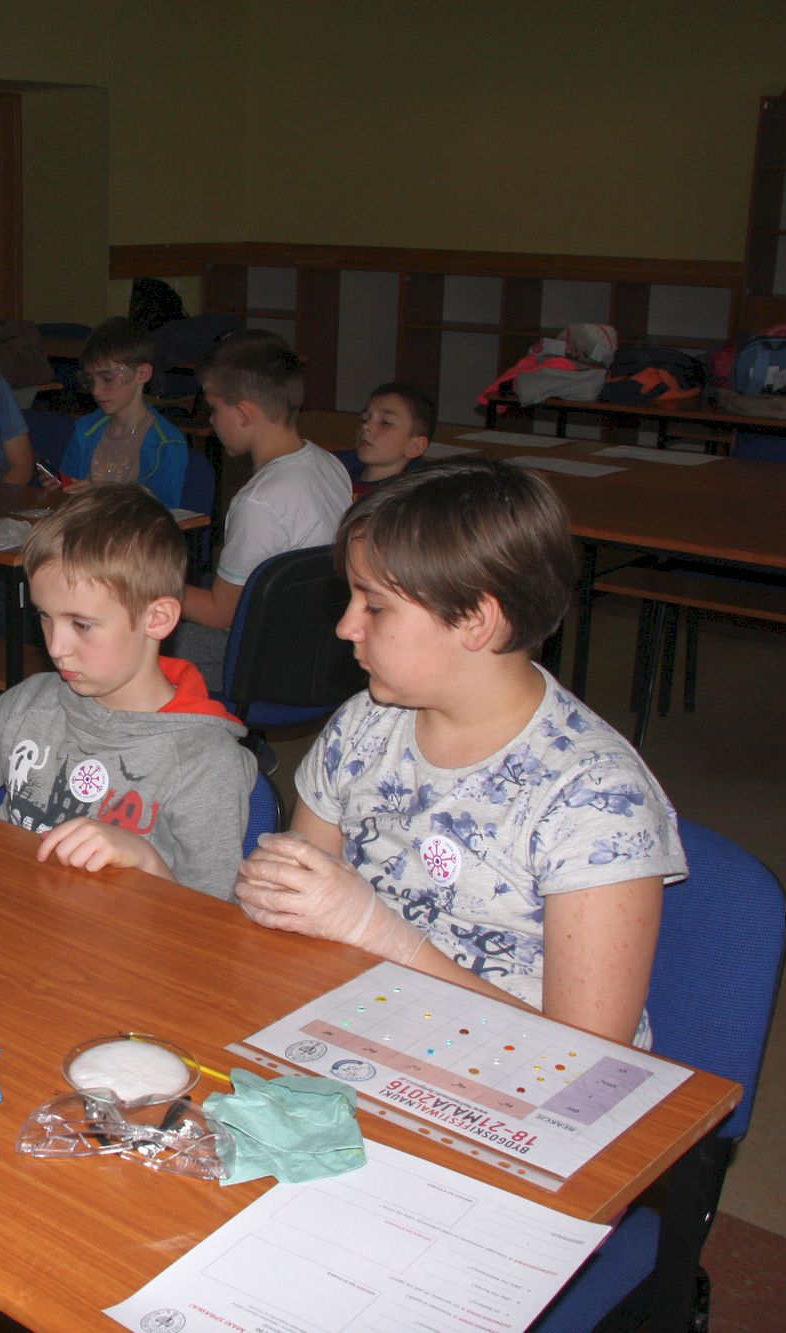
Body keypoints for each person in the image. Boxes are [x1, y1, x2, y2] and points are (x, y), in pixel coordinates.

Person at [233, 460, 684, 1047]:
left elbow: (590, 1052)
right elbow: (292, 913)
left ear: (474, 620)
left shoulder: (597, 798)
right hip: (360, 1026)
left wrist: (377, 933)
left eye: (375, 606)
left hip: (518, 1070)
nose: (345, 627)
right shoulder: (364, 726)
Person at [0, 484, 256, 899]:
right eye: (45, 617)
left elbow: (211, 918)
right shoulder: (34, 701)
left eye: (81, 624)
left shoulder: (205, 761)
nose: (56, 647)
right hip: (9, 911)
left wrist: (146, 861)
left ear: (157, 619)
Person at [172, 331, 352, 683]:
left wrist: (149, 583)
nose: (211, 420)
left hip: (271, 660)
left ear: (244, 414)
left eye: (214, 409)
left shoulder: (259, 502)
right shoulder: (330, 464)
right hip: (327, 648)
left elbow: (219, 614)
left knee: (134, 636)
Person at [57, 317, 188, 507]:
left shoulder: (166, 443)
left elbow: (163, 512)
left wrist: (102, 496)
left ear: (142, 374)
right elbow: (69, 496)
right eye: (90, 380)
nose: (96, 391)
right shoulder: (85, 430)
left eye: (108, 379)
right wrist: (60, 485)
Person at [352, 380, 433, 494]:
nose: (366, 426)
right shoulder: (338, 473)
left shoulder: (403, 497)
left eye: (386, 422)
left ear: (415, 446)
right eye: (364, 419)